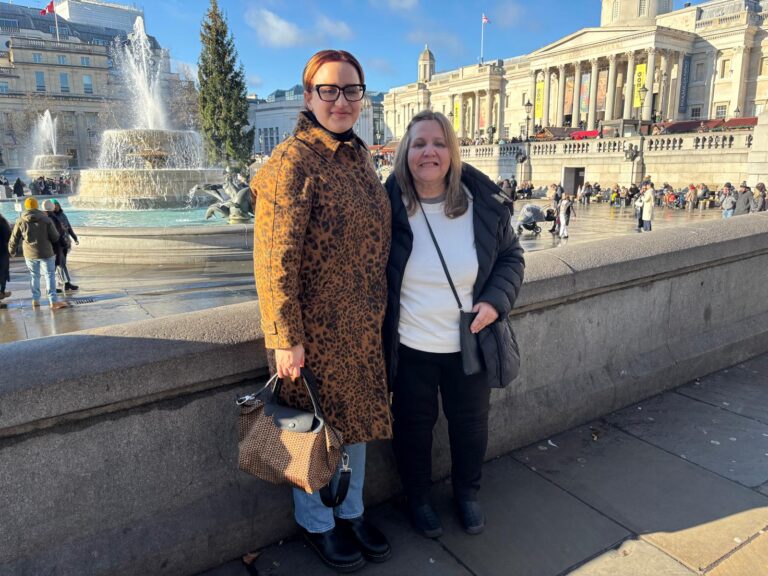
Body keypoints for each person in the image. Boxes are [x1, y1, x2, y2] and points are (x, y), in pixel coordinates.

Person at [250, 49, 391, 573]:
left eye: (351, 90)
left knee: (353, 427)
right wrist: (284, 336)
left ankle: (350, 512)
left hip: (359, 329)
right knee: (312, 431)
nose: (341, 100)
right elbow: (272, 259)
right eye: (328, 90)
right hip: (312, 335)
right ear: (308, 97)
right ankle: (317, 522)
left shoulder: (355, 157)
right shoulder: (292, 160)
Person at [383, 110, 525, 539]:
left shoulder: (481, 204)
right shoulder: (385, 206)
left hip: (470, 342)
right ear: (407, 152)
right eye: (420, 143)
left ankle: (467, 493)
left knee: (470, 427)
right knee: (412, 430)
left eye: (439, 144)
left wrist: (495, 302)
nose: (429, 152)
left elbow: (511, 259)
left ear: (452, 153)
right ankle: (419, 499)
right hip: (409, 347)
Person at [7, 197, 67, 310]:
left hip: (30, 253)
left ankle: (36, 300)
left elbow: (14, 238)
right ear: (36, 206)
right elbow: (55, 237)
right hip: (46, 252)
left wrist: (11, 251)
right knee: (49, 275)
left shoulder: (21, 220)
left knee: (34, 276)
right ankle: (53, 301)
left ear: (26, 207)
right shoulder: (46, 219)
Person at [50, 199, 79, 291]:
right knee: (60, 264)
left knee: (62, 263)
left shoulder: (63, 215)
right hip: (57, 243)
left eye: (57, 204)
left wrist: (74, 237)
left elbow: (69, 227)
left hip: (65, 242)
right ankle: (65, 283)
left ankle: (63, 282)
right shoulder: (50, 217)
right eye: (54, 205)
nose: (56, 206)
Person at [0, 213, 11, 300]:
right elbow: (8, 236)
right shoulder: (2, 222)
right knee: (2, 272)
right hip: (2, 251)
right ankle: (1, 292)